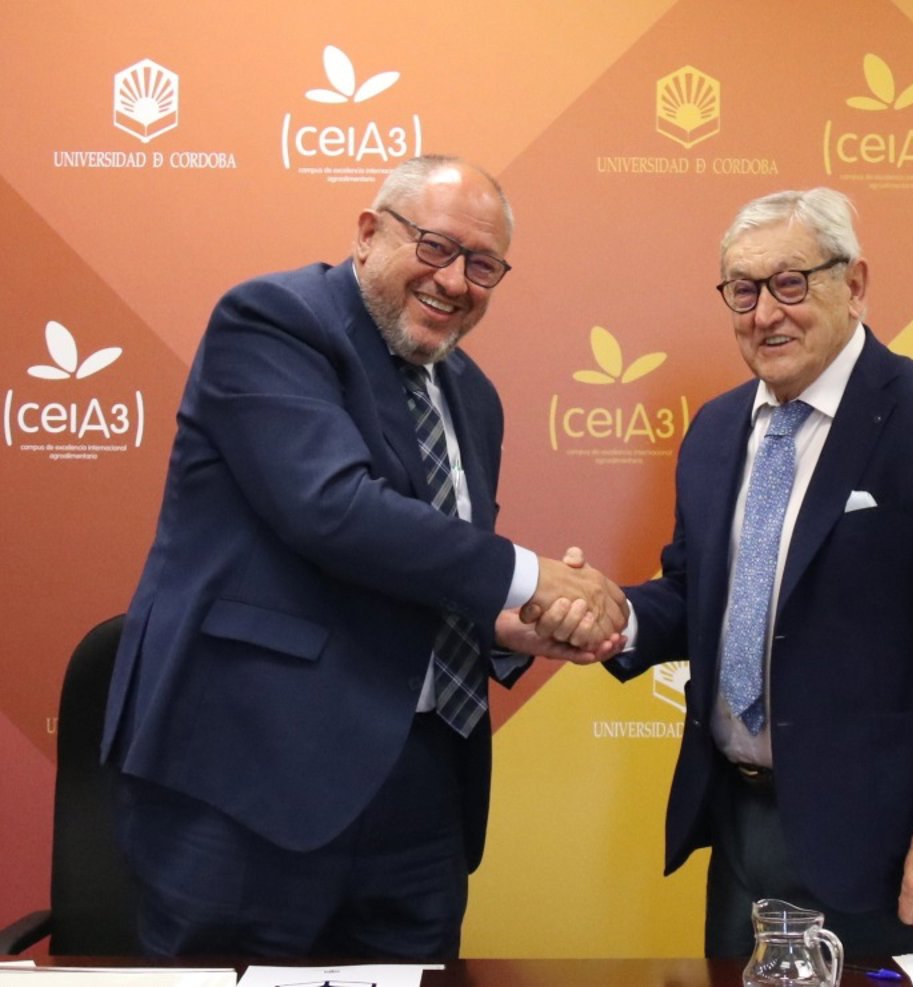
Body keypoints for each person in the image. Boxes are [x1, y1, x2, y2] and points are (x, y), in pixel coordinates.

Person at [101, 154, 626, 958]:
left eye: (482, 265)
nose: (454, 281)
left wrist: (507, 621)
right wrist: (529, 574)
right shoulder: (273, 321)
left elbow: (424, 567)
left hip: (422, 794)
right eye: (435, 246)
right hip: (250, 777)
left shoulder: (474, 396)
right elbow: (332, 508)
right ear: (369, 233)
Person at [534, 187, 913, 955]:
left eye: (790, 283)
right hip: (736, 823)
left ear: (854, 284)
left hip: (880, 847)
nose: (765, 313)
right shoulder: (715, 428)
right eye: (743, 290)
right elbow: (696, 595)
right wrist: (612, 616)